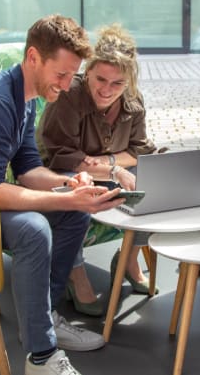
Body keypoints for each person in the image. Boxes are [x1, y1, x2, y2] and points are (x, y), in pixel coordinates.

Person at [0, 14, 126, 375]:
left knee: (73, 210)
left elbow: (29, 169)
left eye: (72, 75)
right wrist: (66, 198)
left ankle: (43, 319)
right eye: (61, 74)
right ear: (33, 57)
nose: (66, 86)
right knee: (33, 229)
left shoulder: (25, 99)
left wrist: (70, 186)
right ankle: (42, 357)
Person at [36, 23, 159, 316]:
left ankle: (128, 259)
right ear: (88, 71)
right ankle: (75, 274)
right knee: (78, 192)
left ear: (128, 81)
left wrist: (106, 163)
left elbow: (139, 151)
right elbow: (61, 156)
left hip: (104, 171)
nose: (106, 90)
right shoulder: (69, 96)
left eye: (117, 83)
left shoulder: (133, 100)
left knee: (155, 185)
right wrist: (111, 168)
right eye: (100, 79)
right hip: (60, 174)